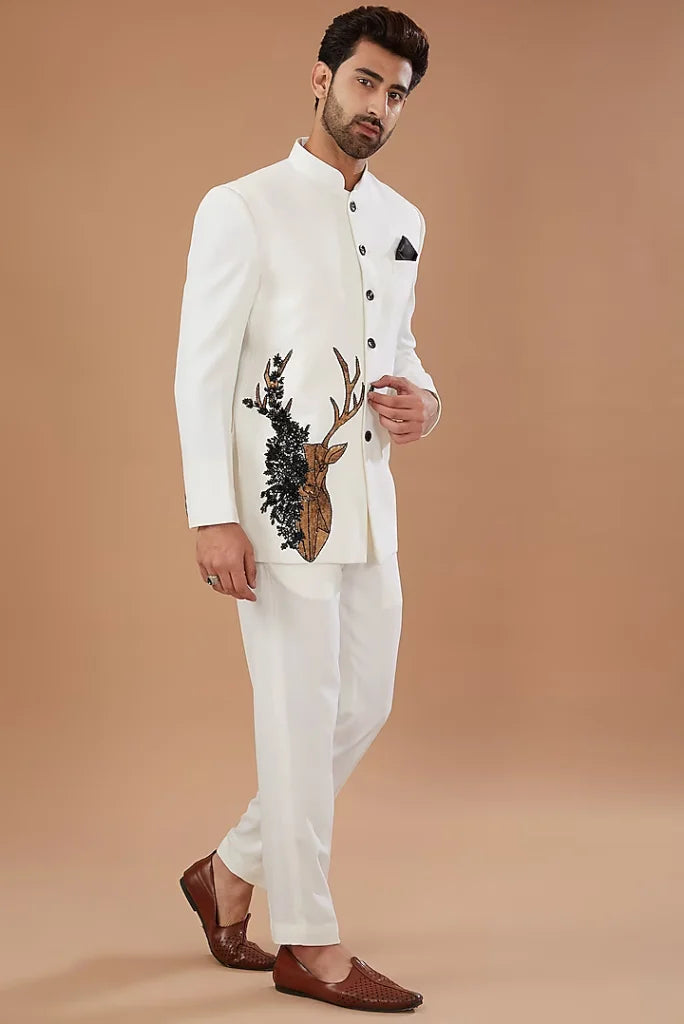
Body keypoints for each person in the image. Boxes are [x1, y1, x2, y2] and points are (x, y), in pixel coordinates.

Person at [174, 5, 441, 1012]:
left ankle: (228, 871)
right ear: (322, 78)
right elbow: (200, 373)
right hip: (278, 506)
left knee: (361, 703)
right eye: (366, 82)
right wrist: (212, 512)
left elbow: (398, 350)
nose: (379, 106)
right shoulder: (240, 208)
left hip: (368, 502)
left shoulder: (405, 220)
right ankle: (310, 943)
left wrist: (427, 401)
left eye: (396, 94)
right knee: (295, 721)